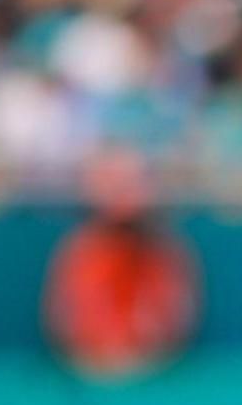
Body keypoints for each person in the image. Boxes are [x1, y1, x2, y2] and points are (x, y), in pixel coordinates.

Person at [43, 150, 198, 378]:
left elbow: (177, 316)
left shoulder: (165, 251)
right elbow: (64, 316)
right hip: (90, 369)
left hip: (153, 371)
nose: (121, 195)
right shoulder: (82, 250)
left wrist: (143, 352)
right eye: (114, 185)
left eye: (128, 185)